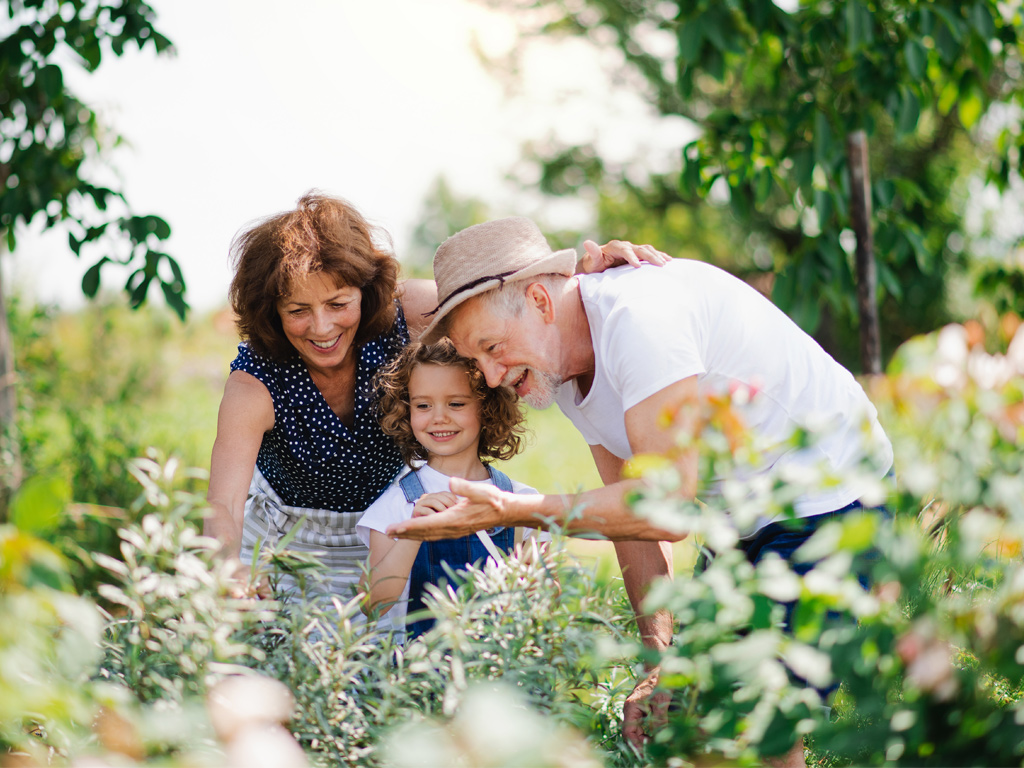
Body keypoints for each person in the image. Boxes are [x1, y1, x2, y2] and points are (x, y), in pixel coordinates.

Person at [386, 216, 895, 765]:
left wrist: (515, 510)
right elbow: (629, 516)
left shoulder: (639, 321)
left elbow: (666, 505)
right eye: (475, 359)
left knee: (756, 718)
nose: (487, 375)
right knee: (689, 715)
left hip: (834, 492)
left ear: (540, 299)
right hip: (746, 513)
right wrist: (659, 662)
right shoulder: (559, 363)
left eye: (491, 347)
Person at [204, 192, 666, 607]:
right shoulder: (255, 384)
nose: (322, 328)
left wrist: (581, 285)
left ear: (365, 291)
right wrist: (229, 569)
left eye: (338, 304)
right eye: (298, 311)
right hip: (287, 545)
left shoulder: (410, 313)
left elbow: (504, 305)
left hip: (387, 533)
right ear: (272, 312)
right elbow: (223, 506)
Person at [356, 339, 544, 640]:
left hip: (502, 676)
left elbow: (547, 603)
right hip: (421, 679)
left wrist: (534, 581)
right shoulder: (397, 504)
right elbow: (372, 603)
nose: (439, 417)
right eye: (423, 405)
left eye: (456, 403)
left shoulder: (520, 502)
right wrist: (413, 534)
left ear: (487, 407)